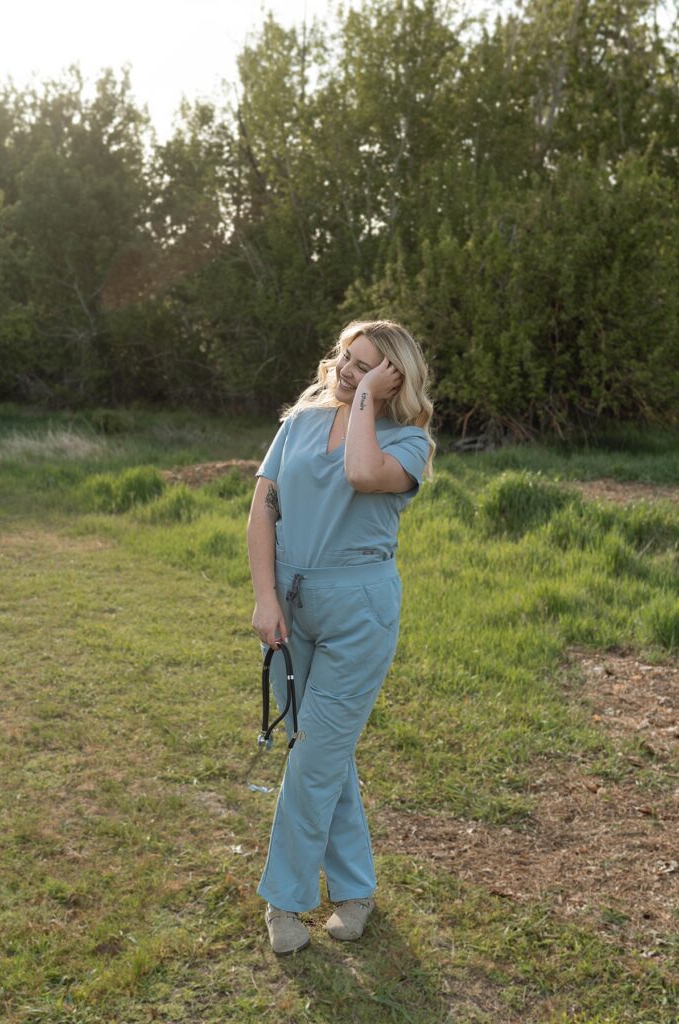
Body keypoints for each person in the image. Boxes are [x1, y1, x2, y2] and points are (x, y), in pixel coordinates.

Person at [246, 318, 435, 955]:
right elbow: (263, 506)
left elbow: (359, 473)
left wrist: (362, 402)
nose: (348, 371)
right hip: (291, 603)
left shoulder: (409, 443)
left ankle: (283, 901)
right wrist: (266, 595)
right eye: (347, 359)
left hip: (360, 611)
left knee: (314, 760)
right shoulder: (299, 421)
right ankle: (356, 889)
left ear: (394, 379)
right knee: (326, 754)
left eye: (368, 366)